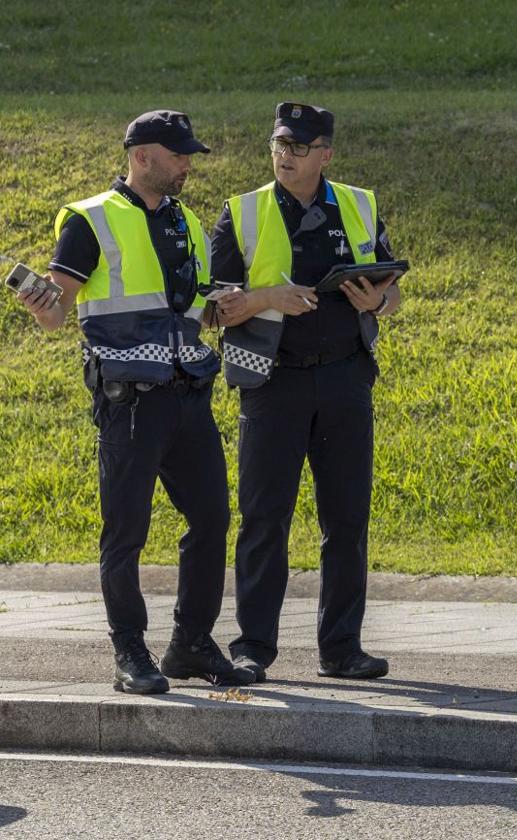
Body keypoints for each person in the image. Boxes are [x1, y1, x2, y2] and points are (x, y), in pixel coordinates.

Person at [19, 110, 253, 693]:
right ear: (143, 155)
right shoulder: (91, 220)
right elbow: (56, 313)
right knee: (125, 530)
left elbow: (197, 309)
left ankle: (191, 644)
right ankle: (129, 652)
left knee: (212, 518)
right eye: (179, 156)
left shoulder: (188, 223)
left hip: (187, 395)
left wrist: (231, 303)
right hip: (128, 402)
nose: (187, 166)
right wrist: (41, 302)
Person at [210, 102, 399, 682]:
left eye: (297, 147)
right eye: (278, 145)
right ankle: (253, 648)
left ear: (325, 154)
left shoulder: (359, 206)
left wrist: (381, 301)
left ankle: (341, 649)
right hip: (272, 383)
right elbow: (212, 309)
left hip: (345, 378)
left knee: (347, 518)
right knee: (265, 517)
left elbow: (391, 290)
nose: (284, 156)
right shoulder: (240, 213)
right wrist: (271, 298)